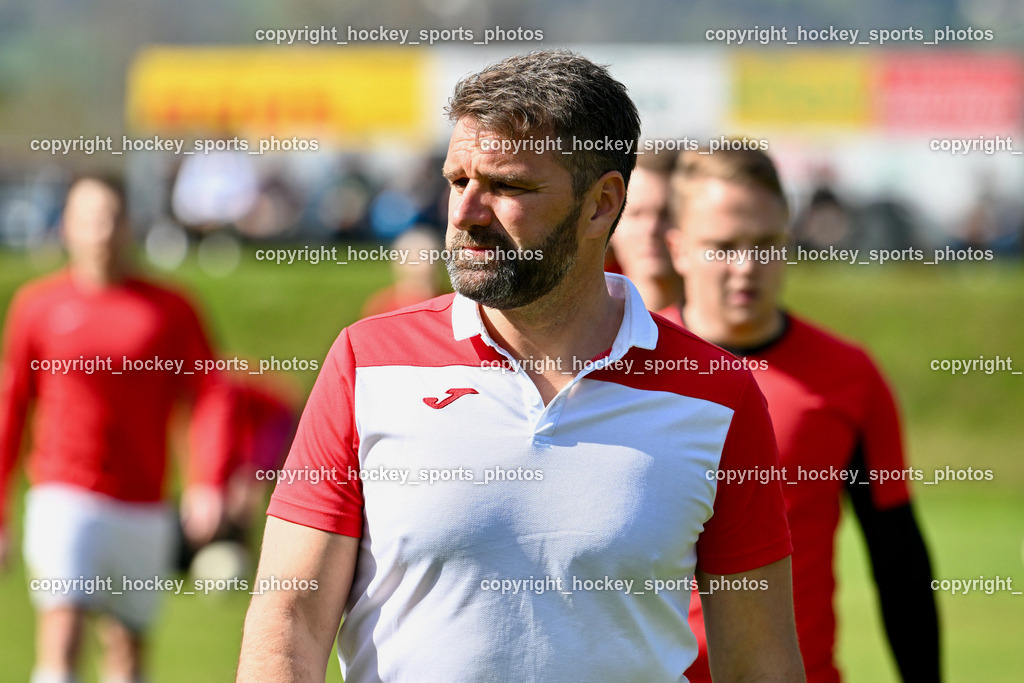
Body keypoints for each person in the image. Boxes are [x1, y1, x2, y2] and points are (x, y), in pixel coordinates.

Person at [237, 50, 804, 682]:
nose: (465, 213)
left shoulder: (717, 393)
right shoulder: (365, 363)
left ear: (600, 206)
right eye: (458, 182)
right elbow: (288, 621)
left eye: (507, 187)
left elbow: (760, 664)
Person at [661, 148, 940, 682]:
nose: (746, 267)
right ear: (678, 249)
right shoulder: (627, 369)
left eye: (765, 244)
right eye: (722, 247)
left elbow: (898, 557)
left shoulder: (848, 375)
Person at [0, 174, 230, 683]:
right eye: (88, 217)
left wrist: (206, 480)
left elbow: (211, 396)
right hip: (62, 495)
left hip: (143, 502)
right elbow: (11, 408)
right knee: (62, 634)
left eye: (110, 217)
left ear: (128, 226)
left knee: (126, 650)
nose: (100, 229)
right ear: (66, 226)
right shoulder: (36, 307)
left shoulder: (170, 310)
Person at [608, 148, 684, 310]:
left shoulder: (722, 329)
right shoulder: (580, 323)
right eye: (636, 214)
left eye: (666, 214)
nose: (651, 228)